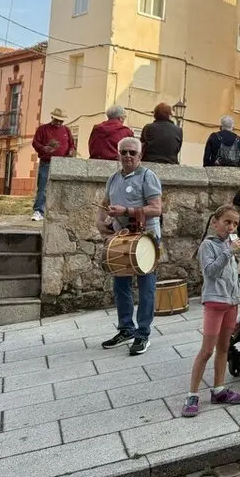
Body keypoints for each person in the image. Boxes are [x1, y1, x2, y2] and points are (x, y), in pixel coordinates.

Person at [98, 137, 163, 356]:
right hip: (122, 237)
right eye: (124, 152)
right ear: (118, 154)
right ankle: (126, 329)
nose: (127, 156)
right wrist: (100, 223)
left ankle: (142, 334)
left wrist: (126, 211)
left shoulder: (147, 176)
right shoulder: (113, 178)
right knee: (121, 285)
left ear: (139, 156)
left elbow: (156, 208)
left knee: (146, 287)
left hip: (146, 237)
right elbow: (104, 206)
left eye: (132, 153)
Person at [182, 203, 240, 417]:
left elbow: (231, 276)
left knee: (224, 349)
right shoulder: (208, 246)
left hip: (231, 302)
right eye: (227, 222)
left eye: (235, 223)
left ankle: (219, 390)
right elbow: (210, 272)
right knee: (207, 350)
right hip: (214, 303)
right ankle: (192, 395)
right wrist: (228, 252)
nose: (231, 227)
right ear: (215, 222)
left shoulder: (231, 246)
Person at [30, 108, 76, 222]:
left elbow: (72, 145)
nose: (59, 123)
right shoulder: (43, 129)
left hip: (62, 163)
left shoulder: (66, 130)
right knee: (43, 187)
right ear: (52, 118)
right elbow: (35, 142)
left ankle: (58, 211)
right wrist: (43, 148)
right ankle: (38, 211)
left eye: (61, 121)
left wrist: (71, 151)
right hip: (47, 162)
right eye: (57, 120)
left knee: (61, 188)